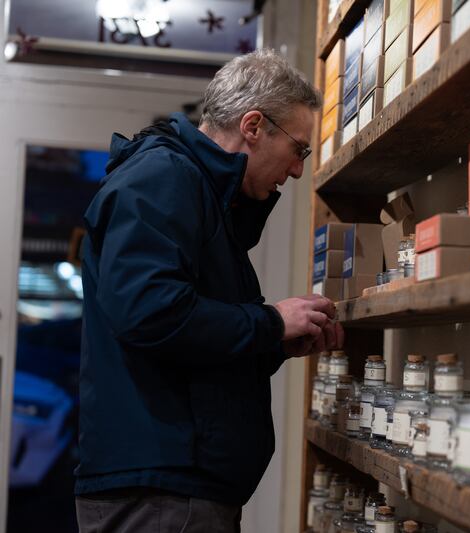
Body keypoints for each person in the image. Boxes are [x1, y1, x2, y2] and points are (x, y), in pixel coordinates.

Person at [74, 48, 343, 532]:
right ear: (253, 125)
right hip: (161, 493)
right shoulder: (163, 177)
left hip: (175, 487)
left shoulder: (198, 191)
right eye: (299, 150)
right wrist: (271, 322)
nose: (298, 170)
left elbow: (187, 342)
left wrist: (274, 341)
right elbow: (150, 313)